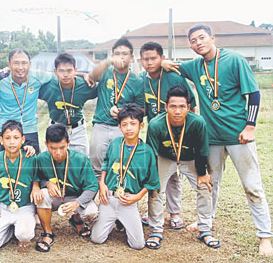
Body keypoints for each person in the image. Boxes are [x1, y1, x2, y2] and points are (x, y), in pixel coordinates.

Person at [162, 24, 272, 256]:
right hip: (211, 139)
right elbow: (174, 66)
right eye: (193, 40)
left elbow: (253, 93)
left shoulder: (234, 60)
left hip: (239, 135)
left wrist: (250, 126)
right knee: (210, 183)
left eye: (202, 38)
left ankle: (265, 236)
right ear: (190, 45)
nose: (198, 43)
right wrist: (163, 62)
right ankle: (207, 222)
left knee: (252, 186)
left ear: (213, 38)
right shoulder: (195, 66)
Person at [146, 85, 219, 249]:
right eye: (173, 106)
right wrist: (152, 178)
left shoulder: (197, 122)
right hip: (165, 158)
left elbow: (202, 151)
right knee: (154, 188)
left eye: (182, 106)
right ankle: (156, 230)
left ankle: (204, 229)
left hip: (190, 158)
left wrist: (202, 173)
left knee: (205, 186)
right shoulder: (155, 124)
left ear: (188, 107)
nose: (177, 111)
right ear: (166, 107)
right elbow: (151, 155)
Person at [140, 41, 197, 229]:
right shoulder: (142, 81)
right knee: (155, 173)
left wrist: (191, 132)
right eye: (145, 59)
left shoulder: (174, 77)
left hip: (178, 134)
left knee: (175, 174)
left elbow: (192, 106)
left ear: (162, 58)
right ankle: (152, 212)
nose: (149, 62)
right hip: (156, 134)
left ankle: (174, 212)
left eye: (154, 58)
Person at [90, 103, 159, 249]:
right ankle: (113, 220)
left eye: (133, 124)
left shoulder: (147, 151)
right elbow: (106, 164)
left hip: (128, 201)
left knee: (138, 245)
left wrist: (137, 197)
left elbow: (152, 181)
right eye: (124, 124)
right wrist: (102, 183)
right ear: (119, 127)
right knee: (97, 238)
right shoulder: (115, 144)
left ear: (141, 125)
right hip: (109, 199)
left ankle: (124, 220)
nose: (129, 128)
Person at [35, 124, 98, 252]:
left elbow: (92, 186)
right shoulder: (41, 158)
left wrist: (77, 202)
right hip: (55, 198)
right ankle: (47, 233)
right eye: (53, 148)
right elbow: (35, 178)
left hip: (75, 197)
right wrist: (46, 183)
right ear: (46, 144)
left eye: (62, 147)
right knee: (42, 194)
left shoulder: (80, 159)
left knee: (91, 212)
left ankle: (76, 220)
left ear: (68, 143)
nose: (58, 153)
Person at [0, 120, 42, 253]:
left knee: (25, 235)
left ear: (23, 139)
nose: (12, 142)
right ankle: (9, 230)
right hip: (4, 207)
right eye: (8, 138)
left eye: (16, 138)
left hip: (24, 206)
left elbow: (37, 177)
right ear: (1, 140)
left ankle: (19, 230)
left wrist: (36, 186)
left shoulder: (30, 157)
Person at [88, 37, 144, 178]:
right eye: (117, 54)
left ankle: (117, 195)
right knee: (96, 164)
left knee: (120, 164)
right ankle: (97, 197)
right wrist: (107, 62)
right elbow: (92, 76)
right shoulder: (106, 72)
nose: (121, 57)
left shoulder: (136, 81)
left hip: (122, 127)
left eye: (124, 54)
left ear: (131, 57)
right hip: (101, 124)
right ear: (112, 56)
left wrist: (125, 112)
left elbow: (142, 110)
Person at [39, 53, 98, 155]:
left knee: (82, 161)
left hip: (78, 130)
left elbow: (105, 87)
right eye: (61, 71)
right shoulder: (48, 85)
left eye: (69, 70)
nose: (65, 74)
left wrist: (85, 75)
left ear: (75, 70)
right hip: (55, 128)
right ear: (55, 72)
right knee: (52, 161)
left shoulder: (85, 84)